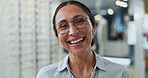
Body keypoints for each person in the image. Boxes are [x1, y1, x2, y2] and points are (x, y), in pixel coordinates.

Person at [36, 1, 130, 78]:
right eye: (63, 26)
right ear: (58, 37)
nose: (73, 32)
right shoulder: (46, 75)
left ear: (93, 27)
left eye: (79, 21)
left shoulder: (119, 73)